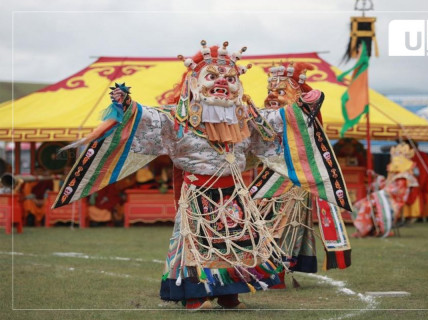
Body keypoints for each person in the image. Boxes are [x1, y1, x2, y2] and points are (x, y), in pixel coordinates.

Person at [53, 41, 351, 309]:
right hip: (197, 194)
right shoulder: (177, 118)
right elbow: (150, 119)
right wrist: (128, 107)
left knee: (238, 243)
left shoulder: (244, 116)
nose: (222, 82)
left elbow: (274, 128)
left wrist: (304, 105)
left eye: (230, 79)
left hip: (234, 194)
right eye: (213, 76)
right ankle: (194, 295)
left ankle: (229, 293)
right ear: (194, 82)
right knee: (196, 243)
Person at [258, 62, 351, 288]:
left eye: (281, 92)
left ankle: (275, 274)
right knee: (262, 225)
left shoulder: (300, 118)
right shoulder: (265, 118)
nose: (272, 96)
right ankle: (266, 271)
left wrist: (302, 92)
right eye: (270, 91)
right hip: (268, 181)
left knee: (282, 228)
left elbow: (316, 95)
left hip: (292, 183)